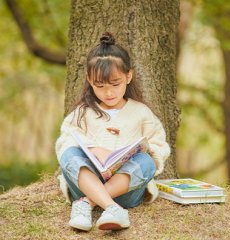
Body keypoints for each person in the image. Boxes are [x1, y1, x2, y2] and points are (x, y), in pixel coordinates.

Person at [55, 32, 170, 231]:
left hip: (126, 190)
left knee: (147, 160)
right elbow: (65, 141)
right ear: (89, 80)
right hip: (85, 183)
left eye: (115, 84)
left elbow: (159, 146)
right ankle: (110, 207)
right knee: (68, 152)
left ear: (129, 76)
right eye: (100, 85)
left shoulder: (141, 112)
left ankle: (86, 205)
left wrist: (140, 153)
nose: (109, 93)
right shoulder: (83, 112)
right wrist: (94, 149)